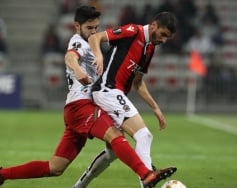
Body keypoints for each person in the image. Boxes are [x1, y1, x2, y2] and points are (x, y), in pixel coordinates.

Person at [0, 6, 176, 188]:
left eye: (96, 27)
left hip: (80, 109)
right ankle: (146, 174)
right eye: (89, 28)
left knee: (55, 167)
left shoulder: (105, 43)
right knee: (116, 136)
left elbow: (134, 78)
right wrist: (77, 69)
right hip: (81, 105)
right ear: (77, 26)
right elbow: (70, 57)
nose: (93, 32)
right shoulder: (78, 41)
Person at [73, 11, 178, 188]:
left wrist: (155, 108)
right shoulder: (132, 31)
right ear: (153, 26)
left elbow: (138, 82)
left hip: (112, 94)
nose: (163, 41)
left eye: (167, 38)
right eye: (163, 35)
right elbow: (95, 38)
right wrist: (99, 55)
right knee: (144, 136)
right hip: (107, 91)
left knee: (113, 151)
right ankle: (147, 179)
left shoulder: (150, 48)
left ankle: (78, 187)